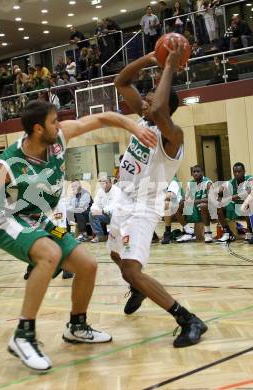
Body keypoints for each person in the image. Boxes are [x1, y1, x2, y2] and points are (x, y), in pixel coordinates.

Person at [0, 100, 157, 371]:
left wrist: (133, 126)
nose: (59, 125)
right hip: (8, 221)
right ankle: (23, 336)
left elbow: (104, 118)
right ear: (38, 129)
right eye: (53, 121)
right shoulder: (8, 163)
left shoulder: (59, 138)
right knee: (50, 255)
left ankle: (77, 326)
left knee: (87, 265)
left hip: (41, 220)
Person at [110, 40, 207, 348]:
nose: (144, 102)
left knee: (131, 269)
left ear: (162, 107)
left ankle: (188, 319)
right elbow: (121, 82)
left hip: (143, 205)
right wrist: (149, 58)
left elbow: (162, 107)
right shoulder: (143, 120)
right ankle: (137, 288)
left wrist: (168, 65)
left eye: (149, 99)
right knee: (115, 254)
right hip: (123, 199)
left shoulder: (173, 136)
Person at [175, 165, 213, 243]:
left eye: (198, 171)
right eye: (194, 172)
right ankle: (188, 230)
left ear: (202, 172)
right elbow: (187, 197)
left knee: (199, 239)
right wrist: (182, 200)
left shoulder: (208, 183)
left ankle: (207, 233)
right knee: (176, 207)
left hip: (207, 208)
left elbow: (211, 199)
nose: (195, 173)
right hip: (195, 207)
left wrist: (193, 202)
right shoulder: (190, 183)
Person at [217, 162, 253, 242]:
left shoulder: (249, 179)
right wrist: (219, 196)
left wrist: (229, 198)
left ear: (244, 171)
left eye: (239, 172)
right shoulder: (230, 182)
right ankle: (227, 232)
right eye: (235, 172)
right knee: (218, 206)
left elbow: (248, 191)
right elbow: (219, 190)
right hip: (236, 206)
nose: (237, 174)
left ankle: (250, 230)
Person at [89, 176, 121, 243]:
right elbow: (96, 203)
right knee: (92, 213)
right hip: (104, 213)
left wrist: (103, 210)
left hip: (116, 214)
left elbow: (115, 205)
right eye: (102, 183)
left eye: (106, 182)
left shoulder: (117, 191)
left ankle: (115, 236)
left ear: (110, 183)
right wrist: (95, 209)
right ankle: (100, 236)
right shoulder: (100, 191)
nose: (104, 185)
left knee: (113, 212)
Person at [161, 176, 184, 244]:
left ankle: (167, 233)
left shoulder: (173, 180)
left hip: (180, 208)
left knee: (167, 204)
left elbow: (169, 196)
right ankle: (153, 236)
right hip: (171, 209)